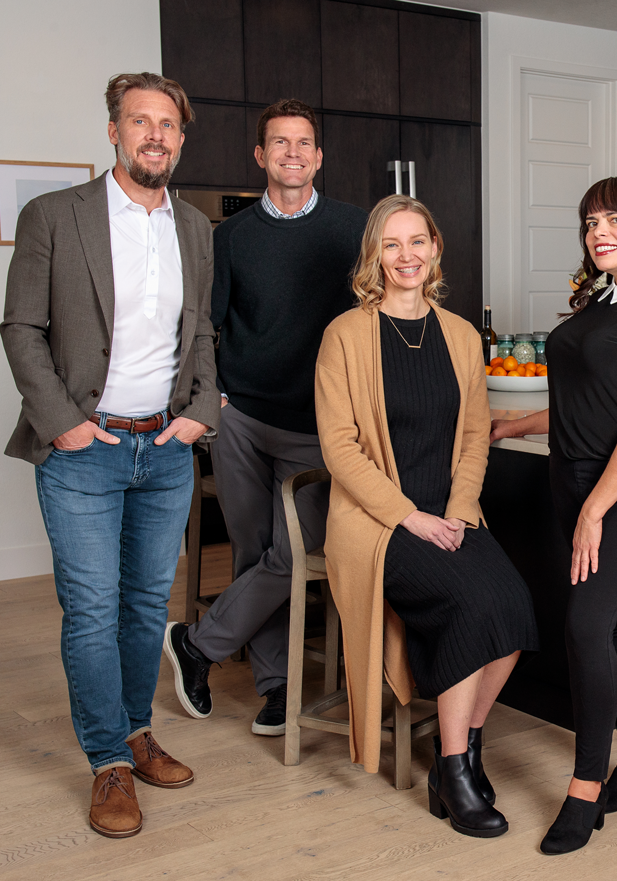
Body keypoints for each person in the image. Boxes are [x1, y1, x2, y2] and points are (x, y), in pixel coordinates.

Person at [0, 73, 219, 838]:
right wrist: (61, 422)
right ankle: (107, 763)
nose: (154, 134)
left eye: (167, 123)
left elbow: (202, 338)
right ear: (114, 132)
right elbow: (21, 328)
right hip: (84, 447)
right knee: (91, 607)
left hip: (163, 447)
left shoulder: (195, 228)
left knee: (144, 605)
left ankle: (133, 730)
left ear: (181, 138)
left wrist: (198, 415)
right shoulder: (55, 216)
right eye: (140, 121)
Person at [491, 173, 617, 854]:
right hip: (575, 478)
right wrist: (514, 421)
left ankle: (586, 786)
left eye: (615, 218)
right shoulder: (603, 301)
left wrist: (595, 512)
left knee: (585, 624)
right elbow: (589, 404)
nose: (599, 232)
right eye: (590, 222)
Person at [315, 195, 537, 838]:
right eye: (392, 244)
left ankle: (460, 750)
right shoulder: (346, 335)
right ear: (374, 256)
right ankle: (455, 769)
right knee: (471, 605)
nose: (406, 255)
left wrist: (462, 512)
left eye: (417, 242)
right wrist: (409, 517)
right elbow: (340, 447)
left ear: (435, 247)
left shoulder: (462, 335)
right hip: (379, 523)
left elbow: (473, 436)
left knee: (515, 608)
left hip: (452, 513)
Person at [163, 99, 368, 737]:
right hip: (243, 419)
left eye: (304, 143)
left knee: (293, 551)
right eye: (280, 143)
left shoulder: (355, 230)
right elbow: (202, 326)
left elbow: (375, 322)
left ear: (319, 157)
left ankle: (198, 643)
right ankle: (277, 688)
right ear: (261, 157)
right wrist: (212, 395)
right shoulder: (230, 238)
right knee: (256, 551)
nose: (293, 154)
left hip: (319, 426)